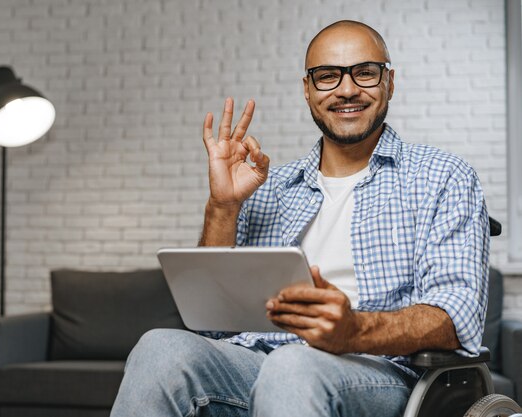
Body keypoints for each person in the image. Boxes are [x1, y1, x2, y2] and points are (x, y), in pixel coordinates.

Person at [110, 20, 490, 417]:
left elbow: (453, 317)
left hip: (383, 372)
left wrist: (353, 330)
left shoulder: (442, 175)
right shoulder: (269, 186)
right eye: (327, 76)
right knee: (160, 347)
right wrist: (223, 206)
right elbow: (213, 328)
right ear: (307, 90)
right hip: (259, 361)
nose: (346, 89)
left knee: (293, 365)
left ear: (389, 83)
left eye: (365, 73)